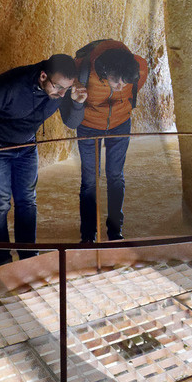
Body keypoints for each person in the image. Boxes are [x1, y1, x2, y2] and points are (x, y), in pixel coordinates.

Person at [0, 54, 83, 266]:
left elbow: (72, 122)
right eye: (58, 87)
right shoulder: (11, 84)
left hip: (27, 148)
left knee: (27, 202)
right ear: (43, 76)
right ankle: (2, 262)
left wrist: (78, 104)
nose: (62, 93)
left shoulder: (60, 91)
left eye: (66, 89)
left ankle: (28, 259)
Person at [60, 39, 148, 243]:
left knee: (116, 176)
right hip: (89, 126)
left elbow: (133, 90)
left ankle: (115, 230)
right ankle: (88, 234)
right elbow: (70, 118)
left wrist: (121, 106)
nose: (120, 87)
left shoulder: (138, 67)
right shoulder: (81, 71)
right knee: (90, 180)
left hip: (120, 124)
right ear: (104, 71)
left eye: (125, 82)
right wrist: (77, 102)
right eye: (116, 81)